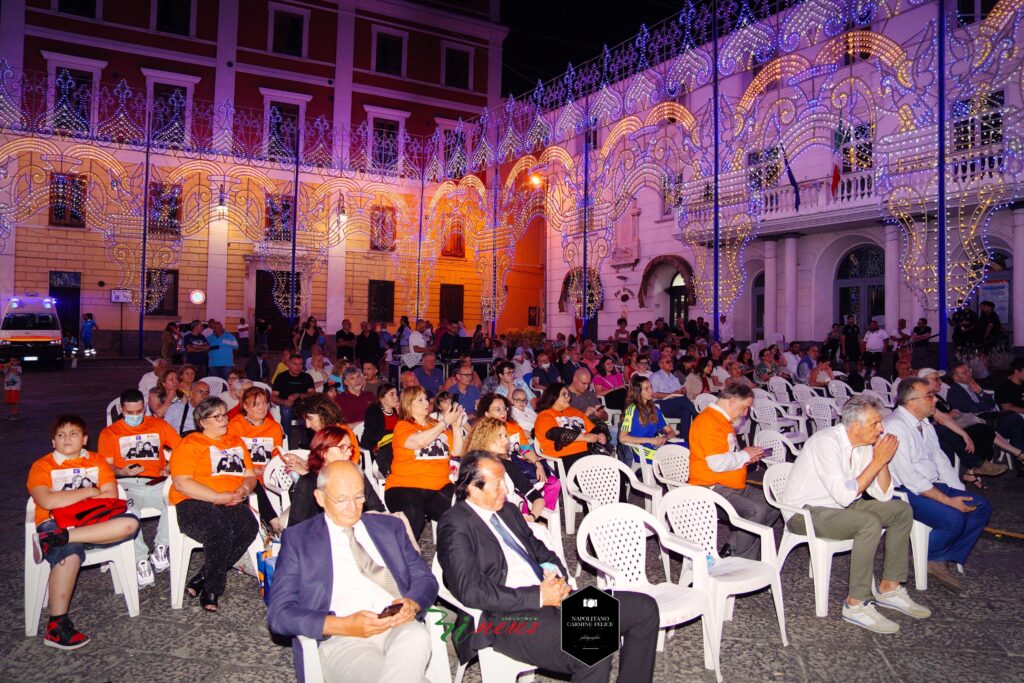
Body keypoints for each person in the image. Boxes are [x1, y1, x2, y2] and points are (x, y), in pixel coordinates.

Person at [437, 452, 659, 682]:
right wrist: (539, 596)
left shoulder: (508, 511)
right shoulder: (455, 525)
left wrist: (557, 576)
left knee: (644, 609)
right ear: (473, 488)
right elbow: (471, 591)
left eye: (504, 481)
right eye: (497, 484)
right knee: (591, 647)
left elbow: (540, 549)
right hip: (507, 618)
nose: (505, 489)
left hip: (552, 597)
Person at [268, 460, 438, 682]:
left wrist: (411, 604)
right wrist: (344, 625)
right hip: (342, 638)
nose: (353, 507)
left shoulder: (389, 527)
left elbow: (425, 578)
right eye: (341, 500)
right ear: (320, 498)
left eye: (359, 497)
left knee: (416, 635)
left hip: (397, 625)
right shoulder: (299, 539)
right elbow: (279, 614)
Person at [782, 395, 930, 633]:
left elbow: (882, 495)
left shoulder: (863, 445)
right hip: (805, 512)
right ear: (854, 427)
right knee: (868, 523)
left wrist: (882, 461)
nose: (881, 429)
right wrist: (877, 460)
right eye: (875, 424)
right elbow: (844, 495)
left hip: (841, 507)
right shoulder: (826, 442)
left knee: (900, 510)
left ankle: (890, 587)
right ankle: (856, 603)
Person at [27, 414, 140, 649]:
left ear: (85, 439)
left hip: (94, 522)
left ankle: (55, 540)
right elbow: (46, 500)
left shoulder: (97, 461)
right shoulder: (43, 465)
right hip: (53, 522)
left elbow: (110, 495)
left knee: (130, 524)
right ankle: (57, 627)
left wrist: (66, 499)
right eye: (61, 434)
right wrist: (89, 491)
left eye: (73, 433)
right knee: (69, 553)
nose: (67, 438)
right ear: (53, 442)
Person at [884, 378, 991, 593]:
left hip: (930, 485)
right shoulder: (895, 427)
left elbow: (941, 461)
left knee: (980, 507)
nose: (935, 400)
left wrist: (957, 492)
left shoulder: (924, 424)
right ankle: (931, 558)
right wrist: (949, 501)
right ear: (911, 402)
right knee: (954, 518)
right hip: (904, 491)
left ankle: (939, 556)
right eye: (929, 396)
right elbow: (910, 478)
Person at [169, 397, 259, 611]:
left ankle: (202, 576)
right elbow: (182, 483)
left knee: (249, 526)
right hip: (194, 501)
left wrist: (244, 489)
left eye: (224, 415)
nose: (224, 420)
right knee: (219, 530)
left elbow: (250, 475)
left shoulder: (236, 442)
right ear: (203, 422)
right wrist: (217, 497)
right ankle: (212, 589)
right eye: (216, 416)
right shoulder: (190, 443)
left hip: (229, 499)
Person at [97, 389, 181, 586]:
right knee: (126, 512)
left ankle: (162, 547)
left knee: (178, 501)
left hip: (156, 481)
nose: (135, 416)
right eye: (130, 412)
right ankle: (140, 559)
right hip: (126, 483)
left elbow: (182, 448)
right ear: (121, 409)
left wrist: (169, 466)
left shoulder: (158, 425)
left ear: (144, 408)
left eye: (139, 412)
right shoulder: (110, 433)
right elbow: (105, 467)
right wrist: (122, 472)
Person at [687, 382, 777, 559]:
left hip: (729, 484)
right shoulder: (709, 422)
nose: (745, 413)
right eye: (745, 408)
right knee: (755, 511)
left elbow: (728, 455)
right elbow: (716, 464)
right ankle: (743, 561)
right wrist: (744, 455)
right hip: (711, 487)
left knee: (773, 505)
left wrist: (746, 457)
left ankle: (733, 547)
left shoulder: (722, 420)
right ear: (732, 401)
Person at [386, 385, 465, 540]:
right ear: (408, 406)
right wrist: (444, 422)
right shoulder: (403, 426)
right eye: (420, 400)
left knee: (462, 511)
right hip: (404, 486)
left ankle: (453, 554)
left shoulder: (436, 425)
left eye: (426, 398)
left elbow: (458, 451)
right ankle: (406, 558)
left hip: (438, 486)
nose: (426, 402)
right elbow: (419, 442)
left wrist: (455, 426)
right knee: (414, 515)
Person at [288, 427, 385, 527]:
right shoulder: (308, 483)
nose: (349, 452)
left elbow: (378, 509)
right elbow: (294, 526)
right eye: (342, 448)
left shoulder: (356, 476)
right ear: (323, 452)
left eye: (350, 447)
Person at [465, 416, 548, 522]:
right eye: (500, 436)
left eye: (506, 436)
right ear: (484, 438)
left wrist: (531, 517)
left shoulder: (508, 466)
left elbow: (537, 498)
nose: (506, 441)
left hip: (511, 523)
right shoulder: (471, 470)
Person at [227, 386, 285, 522]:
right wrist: (253, 471)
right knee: (251, 481)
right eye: (257, 405)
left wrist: (269, 468)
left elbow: (277, 456)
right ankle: (273, 522)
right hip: (244, 474)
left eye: (265, 403)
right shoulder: (235, 425)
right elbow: (232, 456)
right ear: (246, 407)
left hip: (268, 473)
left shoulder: (274, 427)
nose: (262, 408)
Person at [534, 382, 607, 474]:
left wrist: (600, 434)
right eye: (564, 395)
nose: (568, 398)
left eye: (568, 395)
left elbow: (592, 428)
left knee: (617, 476)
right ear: (553, 396)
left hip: (588, 452)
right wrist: (584, 437)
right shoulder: (544, 416)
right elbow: (554, 433)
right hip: (565, 456)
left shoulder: (574, 412)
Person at [619, 374, 676, 464]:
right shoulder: (632, 409)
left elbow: (671, 432)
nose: (651, 391)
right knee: (669, 458)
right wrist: (651, 440)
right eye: (646, 389)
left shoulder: (655, 409)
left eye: (651, 387)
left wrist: (665, 438)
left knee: (684, 451)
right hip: (640, 449)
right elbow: (622, 438)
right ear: (638, 392)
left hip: (655, 445)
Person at [649, 354, 698, 433]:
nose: (671, 363)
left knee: (686, 410)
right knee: (683, 400)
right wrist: (671, 394)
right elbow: (653, 394)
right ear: (660, 365)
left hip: (674, 404)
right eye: (668, 362)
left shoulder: (674, 378)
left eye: (671, 361)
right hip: (659, 405)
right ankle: (699, 416)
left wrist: (683, 391)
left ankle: (684, 438)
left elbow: (680, 393)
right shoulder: (655, 376)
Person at [272, 354, 316, 441]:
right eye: (295, 364)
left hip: (303, 405)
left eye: (300, 364)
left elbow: (312, 394)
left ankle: (305, 442)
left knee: (310, 411)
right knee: (286, 411)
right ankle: (286, 441)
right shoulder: (281, 377)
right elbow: (273, 397)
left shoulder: (306, 377)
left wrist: (298, 395)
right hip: (286, 406)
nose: (298, 367)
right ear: (288, 364)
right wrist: (284, 402)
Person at [361, 383, 401, 473]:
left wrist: (400, 415)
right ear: (382, 398)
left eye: (396, 394)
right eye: (392, 394)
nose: (396, 398)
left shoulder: (397, 410)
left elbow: (405, 430)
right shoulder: (373, 410)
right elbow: (373, 435)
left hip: (395, 446)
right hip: (376, 447)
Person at [994, 357, 1024, 468]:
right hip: (1008, 419)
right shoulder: (1005, 386)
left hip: (1018, 419)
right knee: (1017, 424)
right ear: (1017, 371)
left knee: (1017, 427)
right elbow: (1007, 407)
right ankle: (1021, 464)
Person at [3, 356, 22, 420]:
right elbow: (3, 371)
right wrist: (6, 367)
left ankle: (15, 414)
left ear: (18, 362)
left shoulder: (18, 367)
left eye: (14, 360)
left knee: (15, 401)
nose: (11, 362)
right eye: (11, 360)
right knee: (11, 402)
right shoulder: (7, 367)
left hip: (15, 387)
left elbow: (18, 374)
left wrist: (11, 368)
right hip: (8, 387)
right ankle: (12, 414)